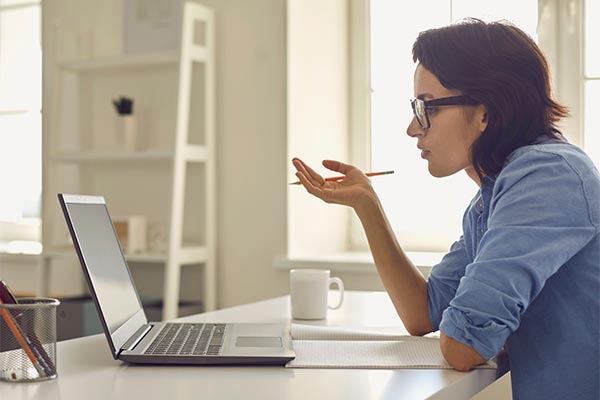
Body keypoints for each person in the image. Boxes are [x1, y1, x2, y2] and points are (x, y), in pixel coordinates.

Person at [292, 19, 599, 400]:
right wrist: (366, 204)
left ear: (486, 114)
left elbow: (463, 347)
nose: (412, 128)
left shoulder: (548, 177)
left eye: (427, 108)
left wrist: (473, 326)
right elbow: (422, 314)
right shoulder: (491, 198)